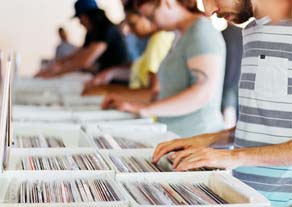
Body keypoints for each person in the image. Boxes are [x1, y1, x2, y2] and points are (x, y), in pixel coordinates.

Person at [152, 0, 292, 206]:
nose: (208, 12)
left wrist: (233, 156)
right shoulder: (252, 31)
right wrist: (208, 140)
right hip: (246, 195)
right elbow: (264, 125)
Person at [102, 0, 226, 137]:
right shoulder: (179, 35)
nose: (153, 23)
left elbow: (203, 93)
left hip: (198, 137)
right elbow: (168, 91)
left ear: (167, 3)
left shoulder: (201, 30)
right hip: (177, 136)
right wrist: (129, 102)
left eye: (151, 16)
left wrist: (145, 109)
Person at [83, 0, 175, 104]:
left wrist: (107, 91)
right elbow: (142, 72)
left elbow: (154, 93)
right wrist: (111, 73)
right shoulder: (151, 40)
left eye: (133, 24)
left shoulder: (159, 40)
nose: (129, 30)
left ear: (147, 17)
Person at [36, 0, 128, 78]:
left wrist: (53, 74)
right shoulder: (91, 32)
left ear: (86, 16)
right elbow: (82, 51)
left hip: (117, 77)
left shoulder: (106, 29)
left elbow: (85, 61)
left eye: (80, 18)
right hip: (103, 76)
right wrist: (62, 61)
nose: (80, 23)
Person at [221, 24, 243, 128]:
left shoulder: (222, 35)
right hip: (240, 79)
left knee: (228, 114)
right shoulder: (245, 34)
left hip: (227, 81)